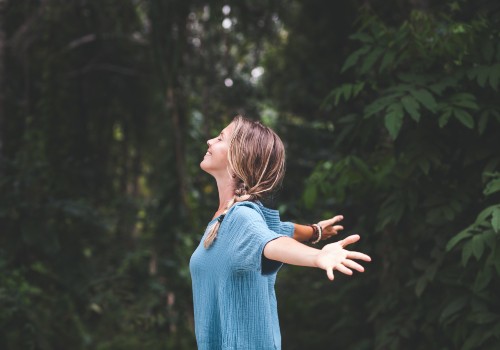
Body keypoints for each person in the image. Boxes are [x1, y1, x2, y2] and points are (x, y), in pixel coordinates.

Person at [189, 115, 371, 350]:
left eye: (220, 138)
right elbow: (278, 230)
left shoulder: (242, 217)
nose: (209, 141)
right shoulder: (225, 219)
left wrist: (316, 257)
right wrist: (314, 232)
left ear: (238, 157)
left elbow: (272, 243)